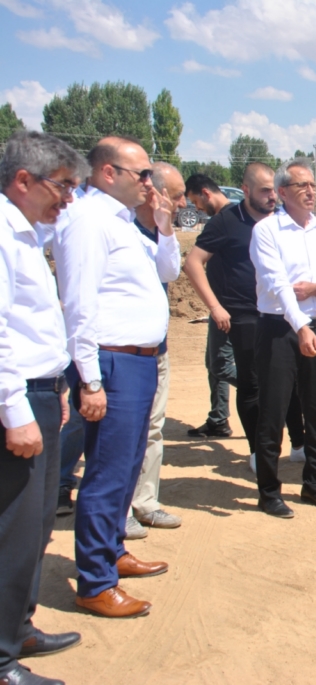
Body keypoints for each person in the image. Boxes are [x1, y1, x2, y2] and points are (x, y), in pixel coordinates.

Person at [55, 136, 175, 618]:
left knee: (126, 467)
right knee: (106, 472)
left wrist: (165, 228)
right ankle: (95, 581)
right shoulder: (87, 221)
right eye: (141, 174)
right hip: (111, 361)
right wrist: (89, 380)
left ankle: (113, 551)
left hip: (141, 361)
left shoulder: (123, 221)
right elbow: (79, 305)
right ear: (108, 173)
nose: (150, 183)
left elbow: (166, 272)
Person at [0, 131, 87, 685]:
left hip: (40, 389)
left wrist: (52, 389)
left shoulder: (27, 234)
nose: (68, 199)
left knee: (34, 527)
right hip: (16, 397)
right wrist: (14, 410)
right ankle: (3, 659)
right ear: (24, 180)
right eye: (62, 186)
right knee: (14, 525)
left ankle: (19, 625)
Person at [182, 165, 306, 471]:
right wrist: (215, 307)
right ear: (246, 190)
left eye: (274, 191)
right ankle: (255, 449)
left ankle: (299, 444)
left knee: (288, 381)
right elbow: (193, 263)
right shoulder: (226, 221)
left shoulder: (282, 221)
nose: (271, 197)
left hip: (279, 313)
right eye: (264, 191)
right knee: (250, 384)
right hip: (244, 316)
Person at [249, 157, 316, 518]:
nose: (311, 192)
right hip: (279, 330)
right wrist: (301, 326)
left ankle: (315, 485)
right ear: (281, 192)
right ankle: (269, 492)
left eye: (314, 186)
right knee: (273, 414)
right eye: (302, 186)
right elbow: (277, 286)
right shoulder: (266, 232)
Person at [125, 162, 186, 539]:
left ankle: (145, 503)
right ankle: (117, 509)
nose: (182, 202)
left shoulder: (161, 233)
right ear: (155, 193)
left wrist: (166, 230)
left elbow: (171, 274)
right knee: (120, 434)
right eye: (176, 195)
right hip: (122, 354)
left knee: (152, 430)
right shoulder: (121, 232)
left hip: (155, 351)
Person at [183, 175, 235, 439]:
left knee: (220, 364)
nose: (198, 208)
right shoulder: (235, 216)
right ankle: (218, 418)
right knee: (213, 362)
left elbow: (192, 264)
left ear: (205, 193)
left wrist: (215, 305)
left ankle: (270, 393)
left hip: (226, 307)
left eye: (196, 201)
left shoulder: (222, 221)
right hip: (225, 305)